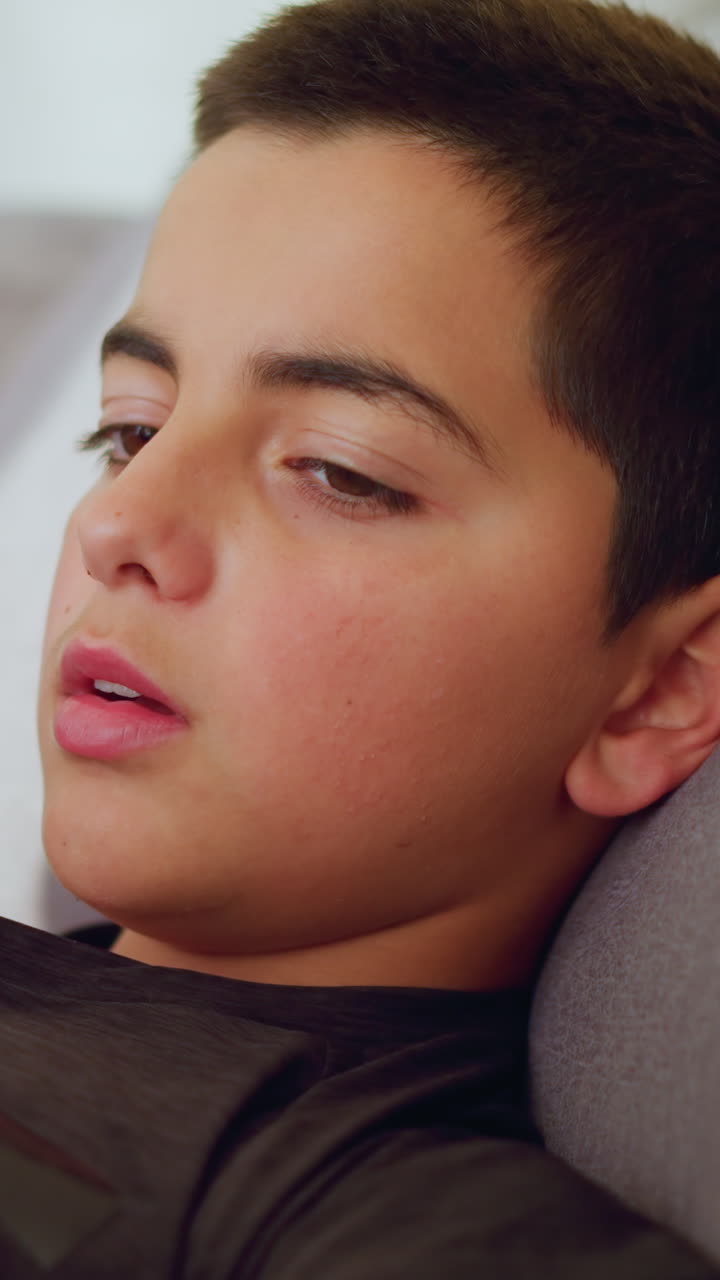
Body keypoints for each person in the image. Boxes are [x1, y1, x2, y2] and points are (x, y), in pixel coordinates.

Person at [2, 0, 719, 1274]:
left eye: (339, 471)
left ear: (654, 692)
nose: (120, 516)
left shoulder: (346, 1205)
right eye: (131, 428)